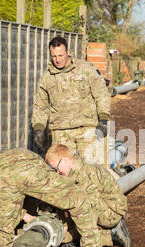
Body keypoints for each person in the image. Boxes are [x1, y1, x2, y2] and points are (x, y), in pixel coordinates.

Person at [31, 36, 110, 164]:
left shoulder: (86, 70)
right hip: (61, 134)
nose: (58, 60)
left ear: (68, 52)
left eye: (61, 55)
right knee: (64, 173)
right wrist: (38, 129)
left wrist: (103, 118)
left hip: (87, 129)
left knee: (93, 171)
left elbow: (101, 94)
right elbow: (41, 106)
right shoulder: (47, 78)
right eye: (54, 56)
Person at [45, 144, 131, 247]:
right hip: (100, 205)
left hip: (112, 211)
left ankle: (111, 231)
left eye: (56, 168)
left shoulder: (85, 174)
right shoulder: (71, 171)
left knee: (80, 211)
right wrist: (64, 224)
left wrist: (68, 228)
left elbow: (85, 209)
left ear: (65, 160)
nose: (57, 173)